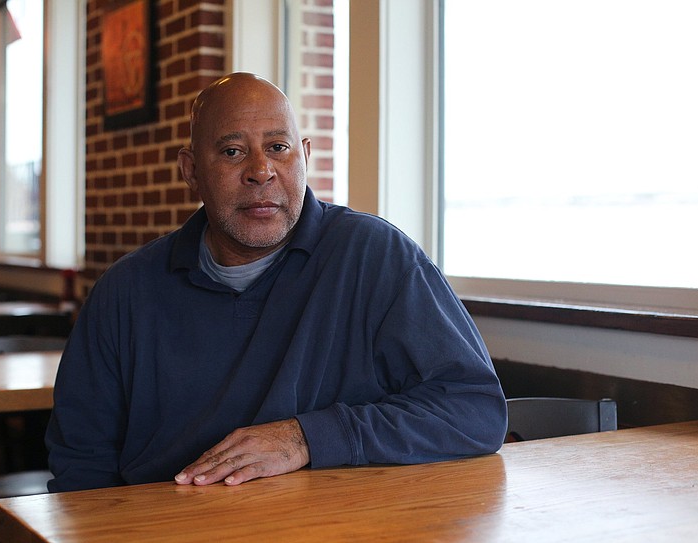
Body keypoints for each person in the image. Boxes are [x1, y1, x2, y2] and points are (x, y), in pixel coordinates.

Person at [45, 72, 507, 492]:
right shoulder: (125, 292)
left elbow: (475, 412)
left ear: (304, 157)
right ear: (190, 171)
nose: (260, 171)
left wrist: (306, 437)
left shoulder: (374, 257)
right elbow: (81, 466)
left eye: (278, 148)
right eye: (232, 151)